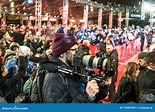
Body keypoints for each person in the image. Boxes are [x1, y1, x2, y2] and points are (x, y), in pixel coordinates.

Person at [42, 33, 100, 103]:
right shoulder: (52, 78)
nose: (77, 53)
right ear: (61, 54)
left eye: (77, 49)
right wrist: (86, 96)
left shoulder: (72, 70)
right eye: (73, 50)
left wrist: (100, 86)